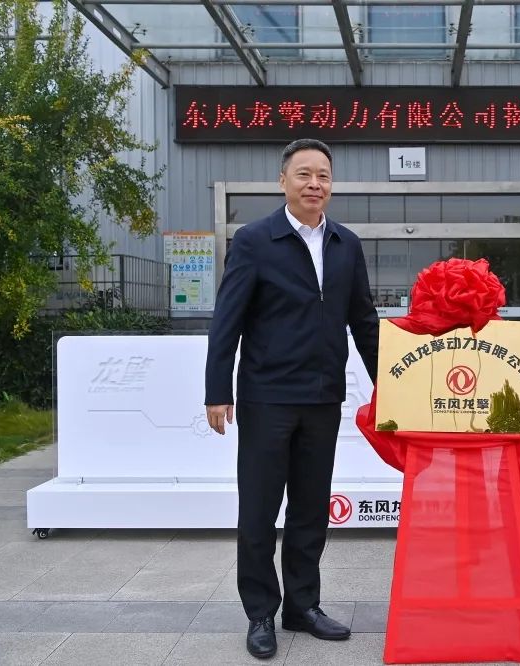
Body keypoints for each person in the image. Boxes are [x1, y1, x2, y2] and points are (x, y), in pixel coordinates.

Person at [205, 138, 379, 659]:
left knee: (310, 509)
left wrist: (391, 385)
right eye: (304, 174)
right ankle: (261, 612)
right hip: (267, 397)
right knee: (259, 510)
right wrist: (217, 390)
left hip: (323, 398)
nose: (314, 184)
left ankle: (303, 606)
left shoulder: (346, 244)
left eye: (323, 175)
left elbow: (364, 321)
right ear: (283, 181)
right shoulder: (256, 240)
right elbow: (227, 319)